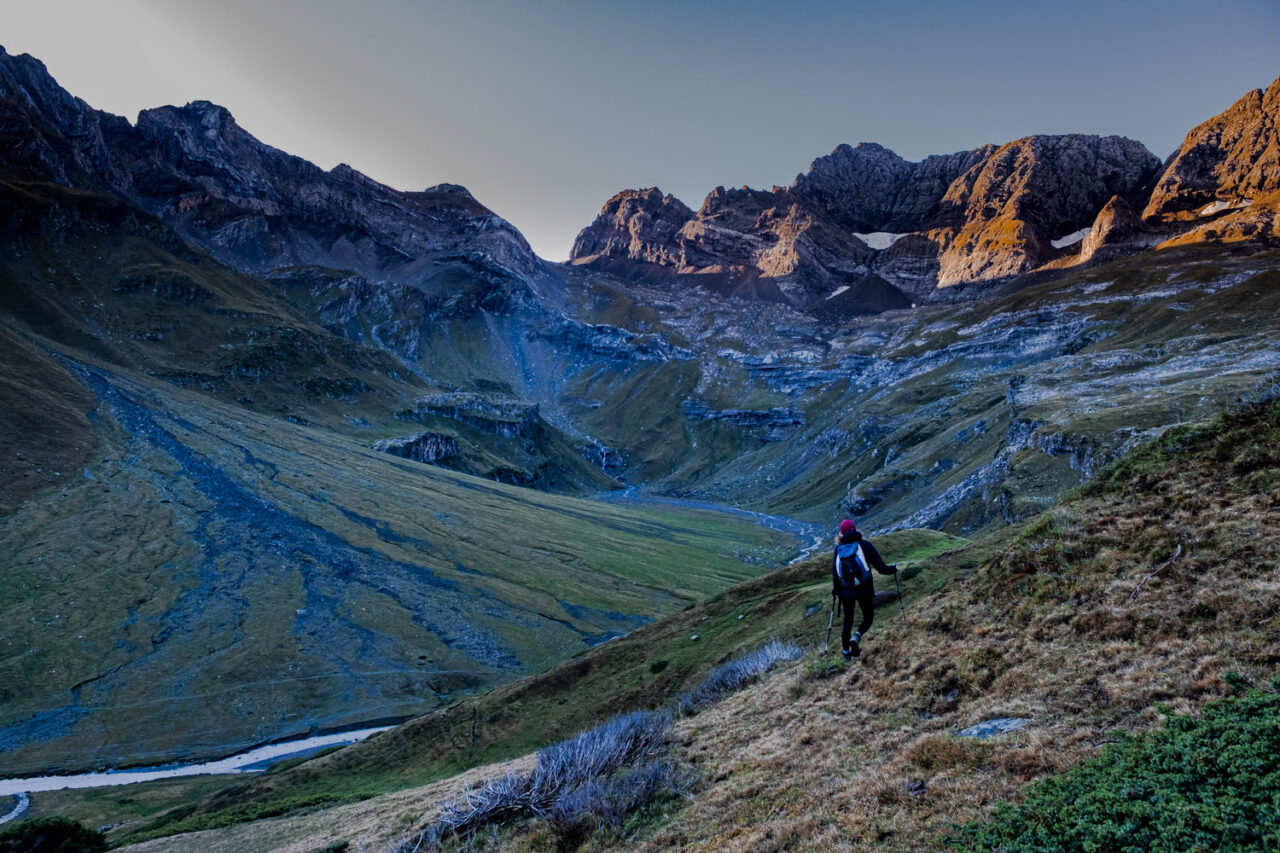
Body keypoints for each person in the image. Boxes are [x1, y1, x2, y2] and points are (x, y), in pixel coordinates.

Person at [831, 519, 897, 659]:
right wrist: (893, 569)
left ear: (841, 533)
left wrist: (836, 591)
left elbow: (835, 574)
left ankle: (846, 654)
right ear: (855, 529)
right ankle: (857, 636)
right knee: (868, 617)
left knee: (847, 621)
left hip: (846, 591)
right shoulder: (865, 545)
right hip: (864, 589)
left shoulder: (839, 549)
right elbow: (881, 568)